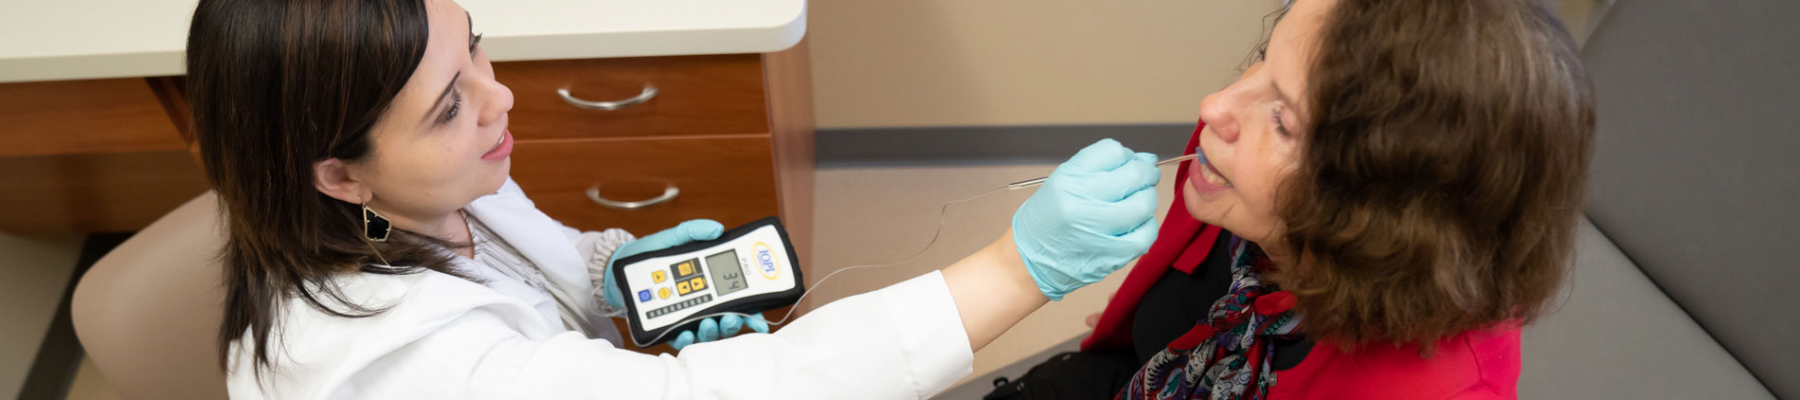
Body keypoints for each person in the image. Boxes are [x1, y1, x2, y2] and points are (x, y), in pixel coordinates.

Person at [186, 0, 1165, 398]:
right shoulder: (415, 369)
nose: (499, 95)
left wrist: (609, 280)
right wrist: (1012, 268)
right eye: (450, 106)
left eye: (474, 43)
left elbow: (533, 257)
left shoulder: (398, 188)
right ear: (338, 172)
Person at [985, 0, 1593, 399]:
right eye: (1263, 61)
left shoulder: (1437, 389)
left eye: (1282, 118)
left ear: (1378, 206)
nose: (1214, 108)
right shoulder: (1226, 169)